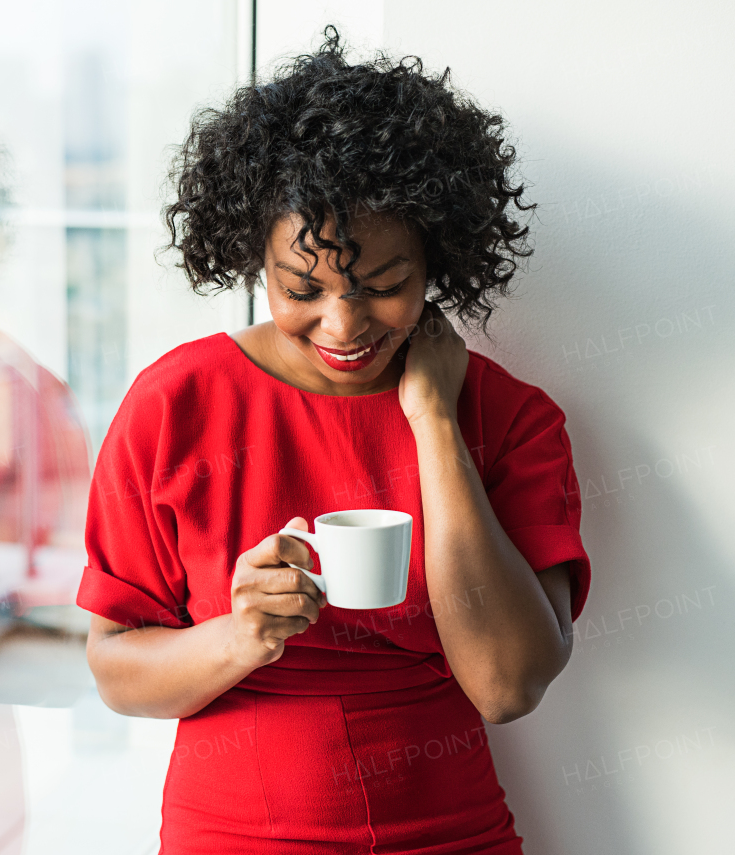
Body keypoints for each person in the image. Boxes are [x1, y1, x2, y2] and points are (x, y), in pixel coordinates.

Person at [77, 27, 591, 854]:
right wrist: (243, 632)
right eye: (301, 288)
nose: (345, 325)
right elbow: (115, 671)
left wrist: (433, 422)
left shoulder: (512, 418)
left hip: (449, 833)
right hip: (234, 833)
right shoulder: (175, 404)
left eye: (385, 286)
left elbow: (506, 683)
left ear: (437, 261)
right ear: (255, 261)